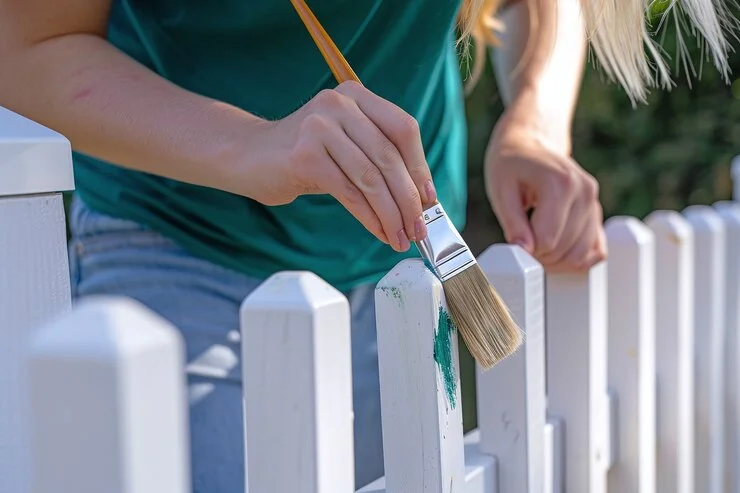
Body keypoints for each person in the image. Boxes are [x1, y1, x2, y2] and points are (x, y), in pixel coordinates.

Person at [0, 0, 731, 490]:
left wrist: (534, 124)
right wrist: (252, 144)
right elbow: (26, 48)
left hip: (407, 272)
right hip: (181, 239)